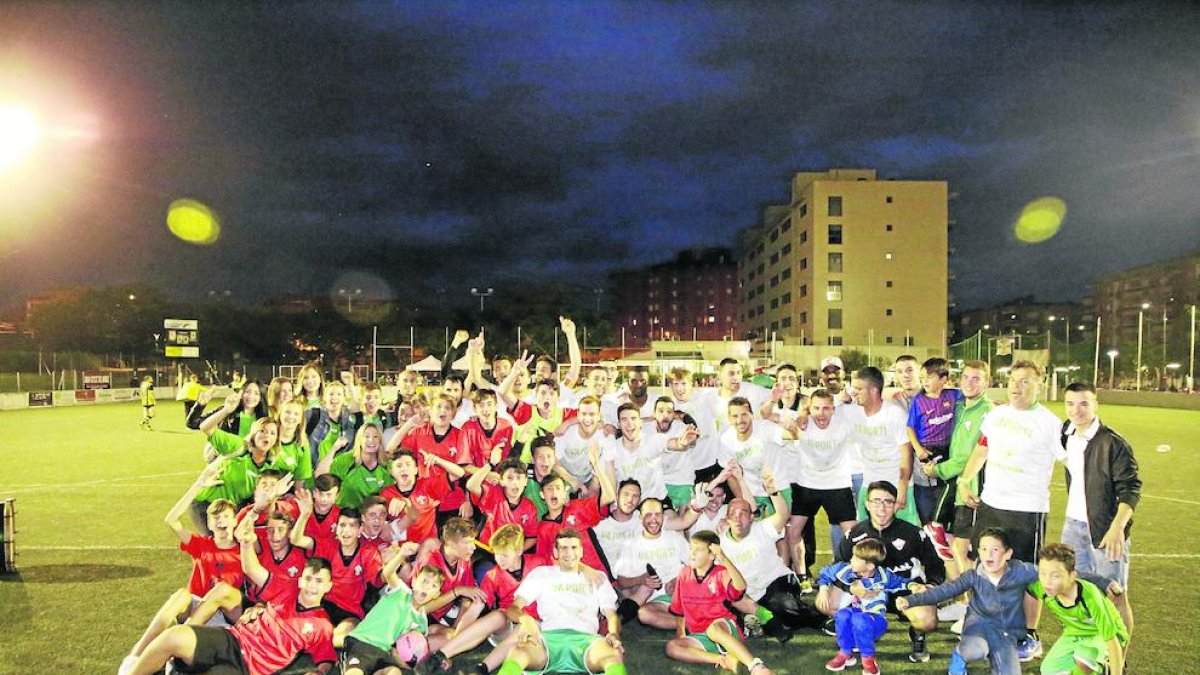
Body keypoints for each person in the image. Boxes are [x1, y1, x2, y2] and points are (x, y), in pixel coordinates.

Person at [959, 360, 1065, 659]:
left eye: (1025, 381)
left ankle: (1028, 635)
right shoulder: (997, 414)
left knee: (1028, 574)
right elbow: (982, 448)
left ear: (1038, 385)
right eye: (1013, 380)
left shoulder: (1050, 423)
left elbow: (1070, 460)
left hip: (1027, 510)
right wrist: (966, 479)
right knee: (985, 566)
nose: (1017, 387)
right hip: (992, 503)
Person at [119, 462, 244, 675]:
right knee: (180, 596)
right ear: (210, 525)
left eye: (226, 516)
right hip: (195, 609)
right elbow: (171, 520)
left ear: (235, 522)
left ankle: (171, 655)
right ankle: (136, 656)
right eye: (216, 517)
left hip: (221, 616)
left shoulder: (245, 551)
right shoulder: (202, 546)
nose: (221, 520)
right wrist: (198, 484)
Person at [126, 557, 337, 675]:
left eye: (319, 581)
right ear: (300, 580)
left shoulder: (322, 625)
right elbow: (253, 570)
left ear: (328, 586)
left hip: (247, 669)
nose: (312, 585)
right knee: (175, 636)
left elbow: (326, 659)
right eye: (309, 578)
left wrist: (318, 673)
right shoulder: (285, 589)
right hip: (231, 640)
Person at [898, 528, 1040, 675]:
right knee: (974, 650)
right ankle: (959, 656)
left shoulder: (1021, 571)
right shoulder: (973, 575)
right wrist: (911, 600)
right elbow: (944, 591)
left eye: (995, 549)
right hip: (979, 626)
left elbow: (1046, 574)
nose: (988, 555)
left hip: (1006, 634)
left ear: (1008, 554)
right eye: (984, 549)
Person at [834, 480, 943, 663]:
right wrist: (853, 587)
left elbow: (936, 565)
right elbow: (837, 568)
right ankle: (853, 635)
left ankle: (917, 634)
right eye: (876, 501)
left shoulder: (913, 533)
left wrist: (930, 586)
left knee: (927, 620)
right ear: (867, 505)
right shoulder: (854, 535)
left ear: (896, 505)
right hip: (868, 593)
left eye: (888, 502)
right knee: (829, 602)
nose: (882, 508)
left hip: (904, 590)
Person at [419, 524, 550, 674]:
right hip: (507, 627)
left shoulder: (540, 563)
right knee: (498, 615)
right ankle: (438, 656)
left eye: (505, 555)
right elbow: (476, 607)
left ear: (519, 551)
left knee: (524, 624)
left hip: (536, 629)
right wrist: (458, 635)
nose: (499, 559)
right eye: (496, 554)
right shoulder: (493, 575)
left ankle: (480, 669)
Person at [496, 528, 627, 675]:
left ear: (581, 551)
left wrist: (614, 633)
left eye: (574, 547)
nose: (569, 553)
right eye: (564, 548)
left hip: (587, 640)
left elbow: (611, 615)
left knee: (613, 654)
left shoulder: (597, 577)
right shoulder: (541, 574)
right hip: (547, 640)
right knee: (518, 651)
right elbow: (513, 608)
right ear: (556, 552)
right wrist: (525, 619)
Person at [719, 471, 824, 640]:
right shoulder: (721, 544)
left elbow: (783, 515)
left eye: (743, 513)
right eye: (733, 514)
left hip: (776, 582)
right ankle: (766, 620)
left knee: (782, 605)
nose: (738, 519)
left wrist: (773, 493)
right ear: (727, 518)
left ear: (752, 516)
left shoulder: (762, 528)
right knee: (724, 607)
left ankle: (819, 619)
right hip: (749, 593)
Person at [1060, 384, 1141, 594]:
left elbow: (1130, 488)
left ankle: (1117, 629)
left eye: (1084, 404)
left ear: (1096, 405)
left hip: (1105, 528)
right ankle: (1087, 629)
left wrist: (1117, 528)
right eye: (1070, 404)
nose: (1076, 410)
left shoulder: (1113, 443)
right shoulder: (1066, 434)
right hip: (1073, 527)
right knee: (1076, 589)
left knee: (1113, 593)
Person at [665, 530, 774, 674]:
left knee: (713, 629)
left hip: (724, 628)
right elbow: (678, 609)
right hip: (701, 634)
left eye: (698, 550)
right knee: (672, 647)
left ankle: (756, 666)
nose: (692, 553)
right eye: (691, 548)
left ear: (711, 555)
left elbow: (740, 587)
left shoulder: (721, 573)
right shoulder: (684, 574)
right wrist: (681, 632)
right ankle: (722, 659)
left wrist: (723, 557)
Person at [776, 389, 856, 582]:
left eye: (826, 408)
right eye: (817, 408)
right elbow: (768, 416)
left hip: (837, 484)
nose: (821, 413)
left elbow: (851, 398)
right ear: (809, 408)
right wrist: (797, 422)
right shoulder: (800, 423)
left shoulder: (844, 423)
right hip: (807, 485)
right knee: (794, 532)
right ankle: (802, 576)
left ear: (833, 409)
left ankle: (854, 576)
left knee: (854, 535)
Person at [921, 360, 992, 571]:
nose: (969, 383)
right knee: (955, 547)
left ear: (987, 383)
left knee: (966, 549)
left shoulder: (987, 412)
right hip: (956, 488)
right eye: (966, 377)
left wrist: (937, 470)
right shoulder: (959, 407)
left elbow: (968, 456)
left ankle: (973, 598)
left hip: (972, 489)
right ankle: (965, 597)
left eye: (976, 379)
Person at [1032, 543, 1128, 675]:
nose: (1047, 581)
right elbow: (1026, 591)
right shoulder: (1041, 588)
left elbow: (1111, 639)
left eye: (1055, 576)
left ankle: (1105, 669)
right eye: (1042, 573)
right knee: (1049, 670)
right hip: (1075, 634)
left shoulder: (1089, 596)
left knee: (1084, 657)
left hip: (1105, 634)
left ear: (1072, 576)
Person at [341, 553, 444, 675]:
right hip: (362, 642)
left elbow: (417, 649)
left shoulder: (421, 623)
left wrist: (441, 659)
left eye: (433, 585)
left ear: (437, 594)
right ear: (414, 582)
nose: (426, 587)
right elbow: (387, 573)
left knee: (394, 672)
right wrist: (401, 554)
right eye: (424, 581)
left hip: (384, 652)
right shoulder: (400, 591)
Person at [842, 367, 919, 525]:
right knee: (867, 537)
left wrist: (902, 489)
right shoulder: (852, 412)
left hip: (896, 485)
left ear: (873, 390)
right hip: (869, 485)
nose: (853, 392)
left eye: (858, 388)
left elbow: (907, 455)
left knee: (905, 538)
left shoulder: (894, 414)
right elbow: (823, 411)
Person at [817, 538, 906, 675]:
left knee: (859, 619)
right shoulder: (846, 569)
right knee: (842, 615)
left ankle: (868, 658)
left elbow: (901, 582)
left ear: (870, 566)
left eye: (856, 558)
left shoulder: (884, 576)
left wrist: (915, 586)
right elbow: (825, 572)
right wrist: (823, 589)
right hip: (856, 614)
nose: (851, 560)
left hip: (875, 621)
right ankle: (845, 652)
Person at [612, 497, 691, 630]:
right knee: (643, 614)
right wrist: (642, 579)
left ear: (663, 517)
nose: (653, 519)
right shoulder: (631, 544)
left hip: (683, 591)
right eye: (648, 515)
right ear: (640, 519)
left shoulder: (675, 538)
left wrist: (678, 580)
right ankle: (691, 624)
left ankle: (696, 617)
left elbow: (696, 566)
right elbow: (621, 580)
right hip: (659, 600)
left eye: (658, 514)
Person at [906, 357, 962, 526]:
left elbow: (975, 398)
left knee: (946, 494)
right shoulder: (919, 400)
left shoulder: (953, 395)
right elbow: (910, 427)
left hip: (947, 452)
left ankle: (944, 529)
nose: (925, 381)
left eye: (929, 377)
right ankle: (929, 527)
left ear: (943, 379)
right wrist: (918, 449)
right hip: (927, 452)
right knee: (928, 495)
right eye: (922, 377)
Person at [317, 423, 392, 510]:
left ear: (380, 441)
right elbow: (320, 476)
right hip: (346, 517)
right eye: (366, 436)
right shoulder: (345, 460)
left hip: (373, 518)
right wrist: (334, 449)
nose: (371, 440)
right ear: (359, 440)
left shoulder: (387, 465)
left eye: (375, 437)